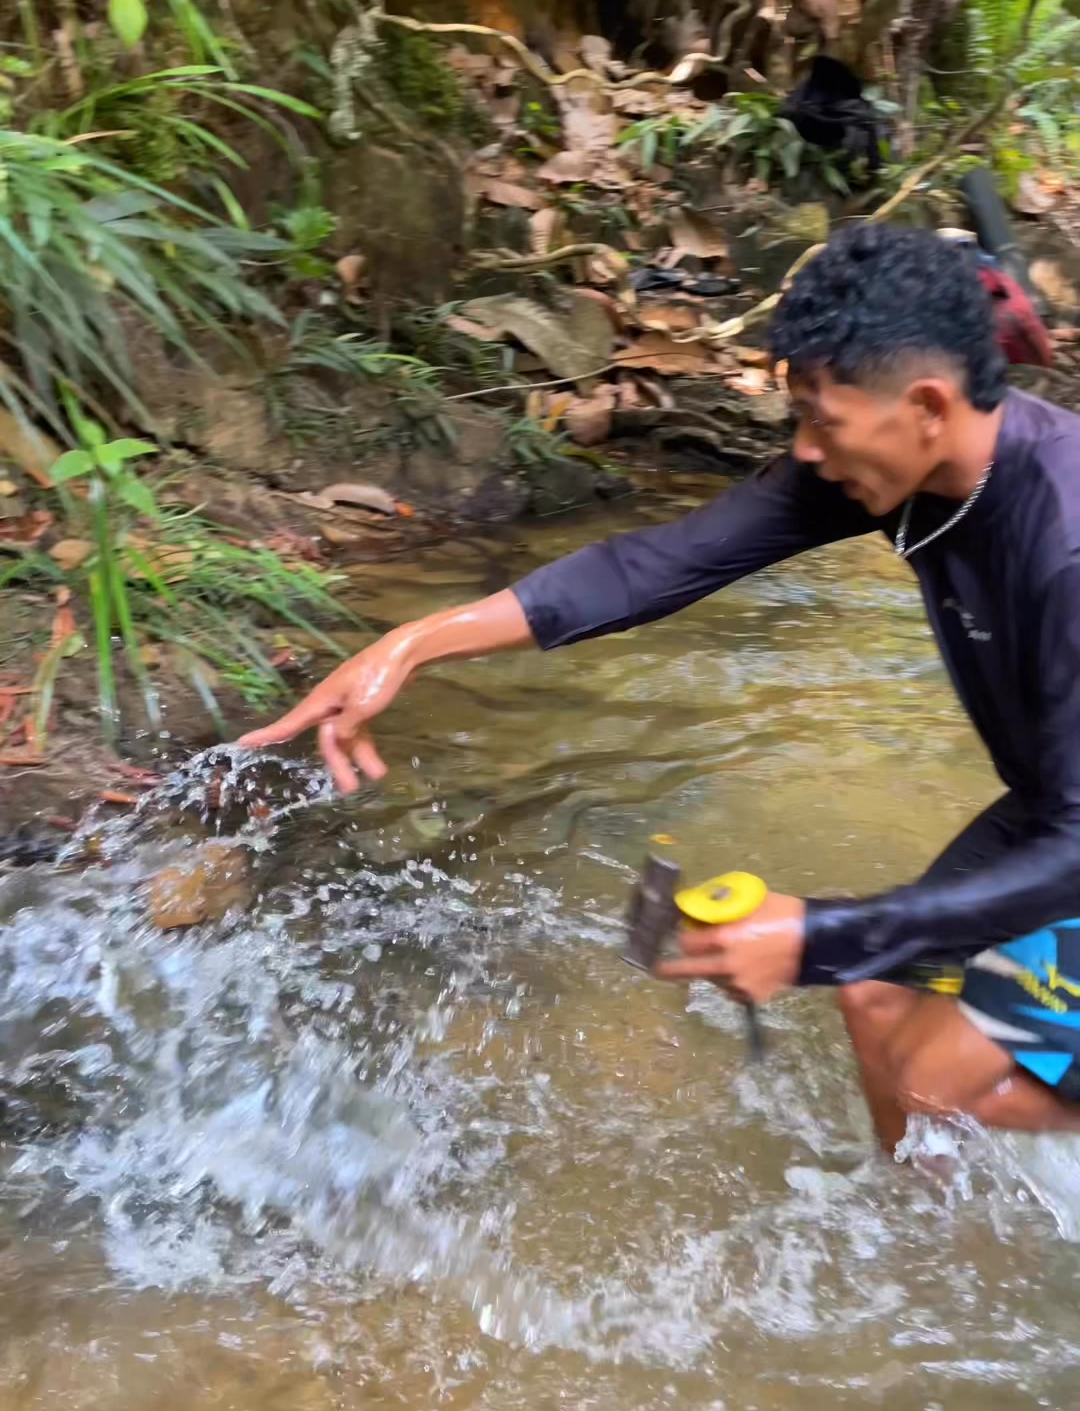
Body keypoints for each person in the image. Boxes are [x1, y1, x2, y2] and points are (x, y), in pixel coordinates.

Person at [240, 224, 1080, 1154]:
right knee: (875, 992)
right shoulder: (880, 466)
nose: (803, 450)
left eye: (820, 420)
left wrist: (814, 931)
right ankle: (935, 1248)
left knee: (933, 1071)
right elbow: (658, 563)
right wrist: (409, 645)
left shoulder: (1064, 540)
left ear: (926, 404)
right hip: (1057, 809)